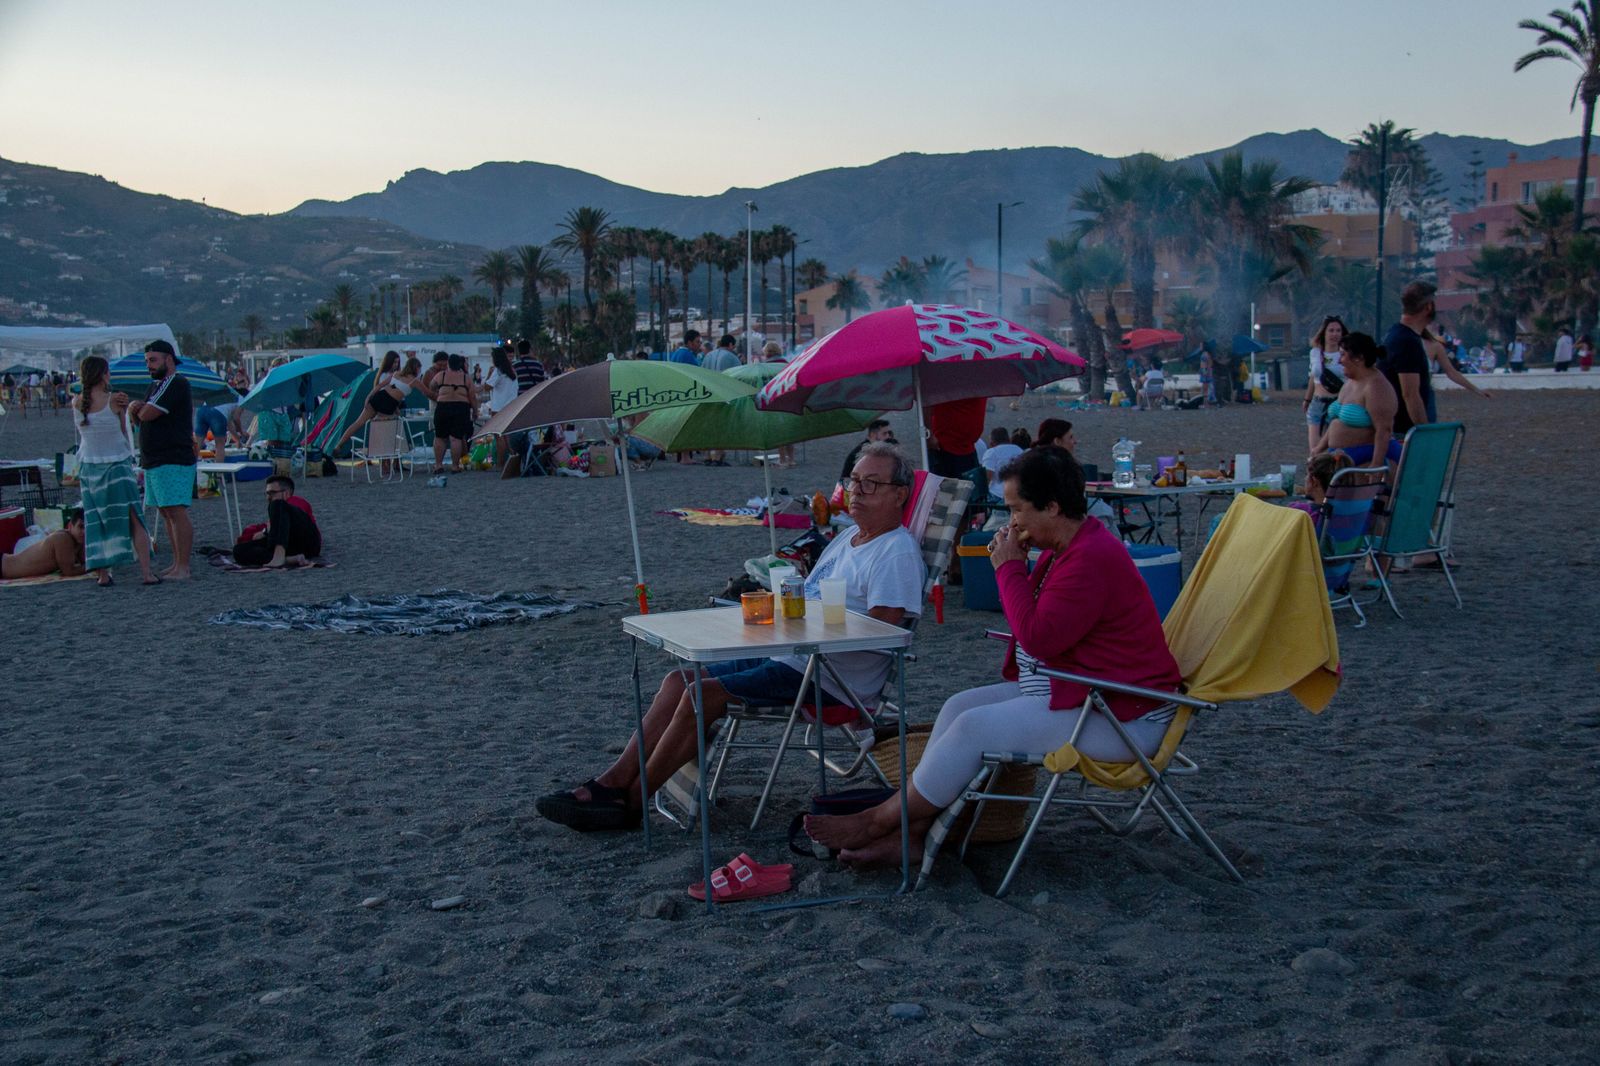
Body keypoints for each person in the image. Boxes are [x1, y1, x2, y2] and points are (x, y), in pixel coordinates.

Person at [804, 446, 1181, 866]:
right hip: (1082, 692)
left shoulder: (1090, 559)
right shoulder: (1070, 548)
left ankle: (880, 820)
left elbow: (1037, 638)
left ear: (1052, 507)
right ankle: (912, 834)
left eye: (1016, 509)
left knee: (971, 727)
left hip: (1123, 717)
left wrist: (1008, 568)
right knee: (958, 705)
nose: (1011, 521)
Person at [536, 444, 925, 831]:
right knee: (679, 680)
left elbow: (884, 633)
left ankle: (632, 804)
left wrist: (808, 628)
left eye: (871, 483)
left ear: (899, 495)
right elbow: (807, 596)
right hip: (791, 653)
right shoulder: (847, 539)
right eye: (854, 480)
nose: (857, 490)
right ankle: (612, 783)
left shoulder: (895, 551)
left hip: (830, 678)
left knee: (700, 695)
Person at [74, 356, 156, 586]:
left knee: (96, 520)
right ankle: (146, 573)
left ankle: (103, 574)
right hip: (116, 464)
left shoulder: (77, 402)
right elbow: (123, 431)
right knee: (133, 517)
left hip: (89, 467)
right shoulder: (114, 401)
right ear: (102, 374)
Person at [126, 340, 196, 580]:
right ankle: (177, 564)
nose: (149, 365)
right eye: (147, 361)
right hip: (154, 459)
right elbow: (140, 420)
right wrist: (137, 410)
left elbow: (146, 413)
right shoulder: (155, 386)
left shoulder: (175, 383)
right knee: (166, 512)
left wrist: (137, 408)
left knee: (176, 511)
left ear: (168, 359)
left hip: (172, 457)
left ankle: (183, 567)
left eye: (153, 360)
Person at [1312, 331, 1400, 467]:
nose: (1339, 361)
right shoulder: (1350, 382)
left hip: (1366, 457)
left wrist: (1376, 465)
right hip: (1340, 455)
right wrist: (1318, 449)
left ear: (1358, 358)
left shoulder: (1376, 387)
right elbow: (1337, 421)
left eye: (1343, 355)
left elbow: (1384, 430)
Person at [1380, 281, 1437, 439]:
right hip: (1403, 431)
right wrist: (1425, 434)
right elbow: (1410, 395)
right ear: (1428, 307)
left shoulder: (1397, 334)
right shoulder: (1407, 341)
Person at [232, 475, 321, 568]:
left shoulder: (296, 502)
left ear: (286, 493)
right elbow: (268, 528)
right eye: (267, 493)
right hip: (289, 547)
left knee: (278, 504)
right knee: (239, 550)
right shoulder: (276, 509)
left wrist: (266, 531)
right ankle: (288, 559)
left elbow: (290, 522)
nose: (268, 497)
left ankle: (279, 555)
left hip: (306, 541)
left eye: (272, 493)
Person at [335, 350, 406, 452]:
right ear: (389, 362)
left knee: (359, 423)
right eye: (394, 362)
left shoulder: (383, 374)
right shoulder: (388, 375)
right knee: (388, 430)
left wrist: (369, 397)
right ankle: (388, 457)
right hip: (382, 405)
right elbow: (388, 394)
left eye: (397, 362)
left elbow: (380, 389)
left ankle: (340, 444)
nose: (396, 365)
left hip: (377, 402)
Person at [424, 353, 477, 474]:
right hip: (460, 407)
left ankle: (438, 465)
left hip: (443, 407)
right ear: (460, 364)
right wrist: (475, 411)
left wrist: (440, 392)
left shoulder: (440, 375)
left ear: (448, 363)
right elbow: (472, 396)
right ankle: (455, 466)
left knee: (440, 437)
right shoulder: (466, 378)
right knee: (456, 438)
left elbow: (431, 386)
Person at [1421, 329, 1492, 418]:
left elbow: (1451, 372)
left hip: (1426, 392)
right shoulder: (1411, 342)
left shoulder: (1435, 347)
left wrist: (1477, 390)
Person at [1303, 316, 1346, 452]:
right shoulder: (1315, 353)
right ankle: (1314, 471)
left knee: (1333, 445)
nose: (1335, 334)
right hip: (1317, 402)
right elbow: (1312, 378)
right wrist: (1307, 399)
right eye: (1331, 330)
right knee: (1315, 448)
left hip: (1338, 402)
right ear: (1324, 333)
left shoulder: (1345, 355)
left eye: (1338, 331)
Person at [2, 516, 87, 580]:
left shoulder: (77, 541)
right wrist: (94, 565)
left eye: (87, 527)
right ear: (70, 526)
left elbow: (84, 562)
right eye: (80, 527)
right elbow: (69, 571)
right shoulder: (63, 538)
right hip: (3, 566)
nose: (84, 531)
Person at [925, 396, 985, 478]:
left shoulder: (981, 384)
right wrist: (929, 435)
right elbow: (927, 401)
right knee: (946, 489)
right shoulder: (948, 384)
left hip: (968, 449)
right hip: (945, 449)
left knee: (972, 488)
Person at [480, 347, 521, 467]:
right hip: (511, 405)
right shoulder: (512, 370)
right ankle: (512, 457)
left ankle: (500, 462)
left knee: (499, 436)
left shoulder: (498, 371)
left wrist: (488, 374)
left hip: (498, 407)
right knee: (507, 435)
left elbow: (487, 387)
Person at [839, 419, 896, 484]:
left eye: (889, 433)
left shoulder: (881, 448)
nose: (888, 436)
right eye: (884, 433)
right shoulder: (863, 453)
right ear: (873, 435)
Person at [979, 428, 1022, 499]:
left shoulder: (991, 452)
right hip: (1018, 492)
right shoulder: (1018, 449)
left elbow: (987, 477)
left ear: (992, 442)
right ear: (1008, 439)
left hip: (998, 494)